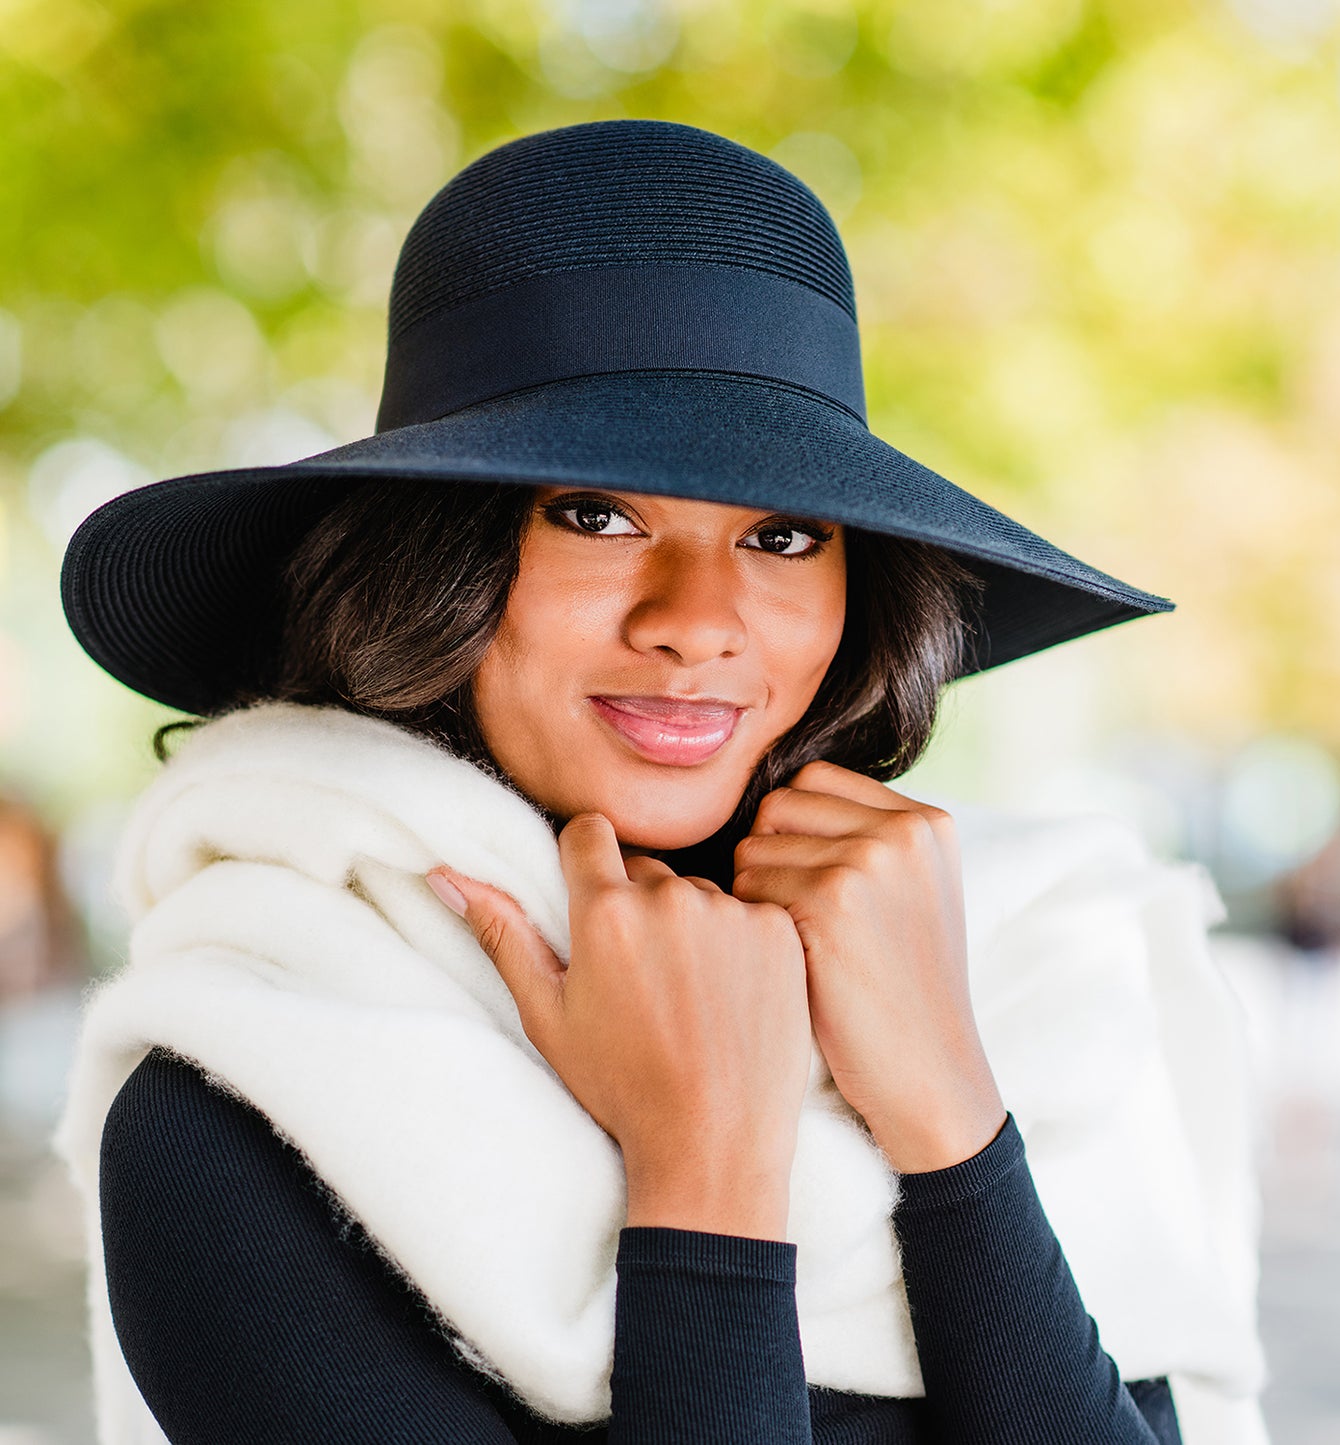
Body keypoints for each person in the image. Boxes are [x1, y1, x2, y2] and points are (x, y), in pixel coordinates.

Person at [52, 119, 1268, 1444]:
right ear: (431, 560)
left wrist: (949, 1113)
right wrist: (706, 1175)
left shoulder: (1020, 964)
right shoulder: (249, 1085)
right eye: (596, 514)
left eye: (783, 533)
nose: (700, 621)